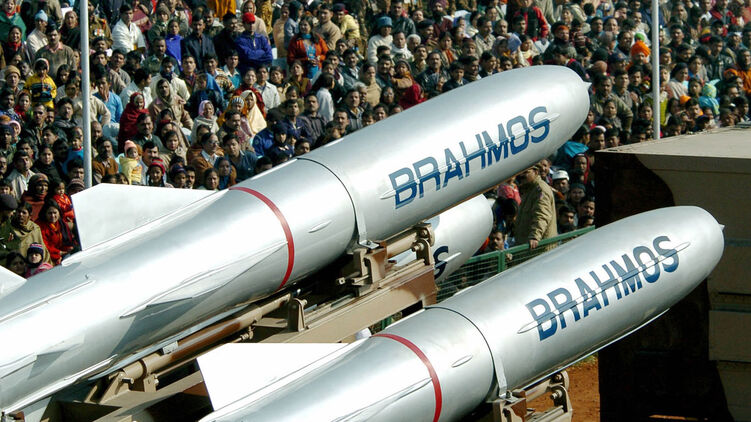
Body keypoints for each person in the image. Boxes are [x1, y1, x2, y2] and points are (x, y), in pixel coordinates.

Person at [514, 164, 557, 250]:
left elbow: (542, 215)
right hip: (527, 247)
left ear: (536, 172)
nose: (521, 175)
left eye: (525, 172)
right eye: (520, 172)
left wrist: (535, 236)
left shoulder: (540, 189)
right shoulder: (529, 190)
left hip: (539, 248)